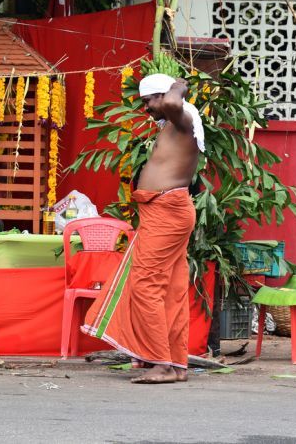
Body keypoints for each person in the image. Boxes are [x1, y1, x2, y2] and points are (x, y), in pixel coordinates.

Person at [81, 73, 205, 384]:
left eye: (149, 100)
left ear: (164, 96)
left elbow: (174, 101)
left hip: (167, 212)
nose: (146, 107)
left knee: (145, 285)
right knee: (172, 290)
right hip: (166, 211)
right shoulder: (174, 124)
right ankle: (176, 365)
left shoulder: (183, 116)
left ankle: (160, 364)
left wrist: (176, 86)